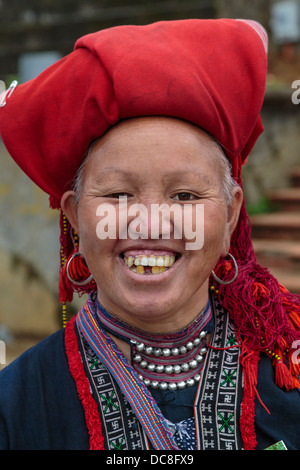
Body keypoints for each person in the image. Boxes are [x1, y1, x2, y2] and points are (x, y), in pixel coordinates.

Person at [0, 18, 299, 451]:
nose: (151, 223)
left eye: (184, 194)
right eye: (119, 194)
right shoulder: (17, 405)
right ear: (73, 215)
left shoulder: (287, 371)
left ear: (231, 214)